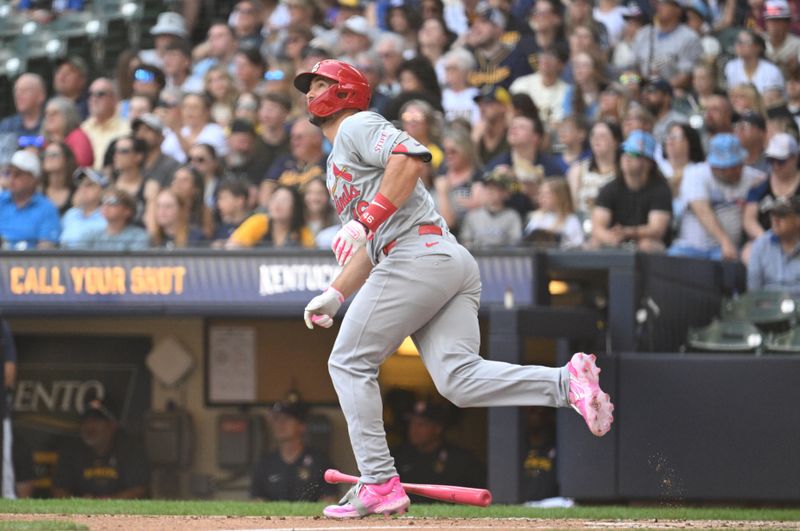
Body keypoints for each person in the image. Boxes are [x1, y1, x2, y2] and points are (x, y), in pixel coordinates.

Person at [294, 59, 614, 519]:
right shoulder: (337, 159)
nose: (311, 92)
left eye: (321, 83)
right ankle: (566, 383)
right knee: (459, 380)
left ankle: (379, 482)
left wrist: (364, 223)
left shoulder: (356, 125)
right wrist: (337, 293)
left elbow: (410, 159)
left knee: (348, 361)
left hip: (418, 256)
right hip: (440, 257)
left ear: (346, 91)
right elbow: (373, 242)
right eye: (309, 86)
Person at [669, 134, 759, 260]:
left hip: (727, 252)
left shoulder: (752, 177)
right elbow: (702, 211)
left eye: (739, 164)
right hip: (690, 249)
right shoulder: (696, 173)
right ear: (716, 167)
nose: (737, 170)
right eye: (731, 167)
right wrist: (725, 241)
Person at [590, 130, 673, 252]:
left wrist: (627, 232)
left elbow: (657, 230)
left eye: (634, 154)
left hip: (648, 245)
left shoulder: (660, 189)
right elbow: (597, 228)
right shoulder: (609, 189)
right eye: (624, 152)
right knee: (594, 243)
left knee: (647, 245)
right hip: (616, 241)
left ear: (648, 162)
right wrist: (610, 237)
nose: (627, 158)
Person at [52, 397, 149, 499]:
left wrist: (104, 501)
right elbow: (59, 490)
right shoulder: (71, 450)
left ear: (112, 425)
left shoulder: (130, 449)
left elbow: (138, 490)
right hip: (81, 510)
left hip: (120, 512)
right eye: (86, 420)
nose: (89, 426)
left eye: (96, 420)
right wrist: (79, 503)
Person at [392, 400, 485, 501]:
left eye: (421, 424)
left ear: (437, 428)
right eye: (412, 423)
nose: (414, 429)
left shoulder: (460, 460)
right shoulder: (397, 456)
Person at [251, 395, 338, 501]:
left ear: (302, 426)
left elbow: (330, 499)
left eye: (287, 419)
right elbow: (257, 500)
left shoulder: (319, 460)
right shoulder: (265, 463)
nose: (280, 424)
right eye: (276, 419)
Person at [0, 151, 60, 249]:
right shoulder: (1, 200)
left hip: (28, 262)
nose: (11, 178)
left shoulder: (47, 209)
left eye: (18, 174)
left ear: (34, 179)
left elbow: (47, 249)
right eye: (9, 173)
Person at [747, 196, 800, 294]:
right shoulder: (761, 245)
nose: (775, 220)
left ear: (798, 220)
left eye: (782, 215)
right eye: (773, 214)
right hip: (768, 306)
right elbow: (753, 291)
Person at [459, 168, 522, 248]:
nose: (490, 191)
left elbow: (515, 244)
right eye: (487, 187)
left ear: (506, 193)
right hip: (477, 258)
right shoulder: (472, 216)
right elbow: (465, 242)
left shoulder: (512, 216)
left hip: (503, 259)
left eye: (495, 188)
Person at [78, 189, 151, 250]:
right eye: (103, 202)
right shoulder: (91, 234)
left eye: (112, 202)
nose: (105, 206)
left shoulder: (139, 236)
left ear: (127, 211)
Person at [60, 168, 109, 249]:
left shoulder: (108, 215)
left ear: (103, 190)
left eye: (89, 185)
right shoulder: (70, 214)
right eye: (81, 184)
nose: (83, 188)